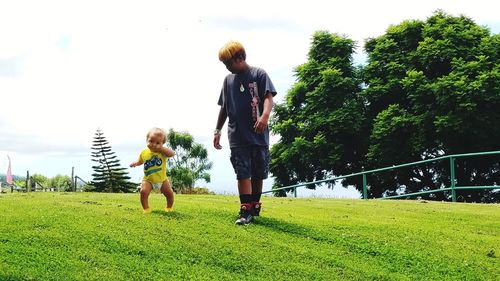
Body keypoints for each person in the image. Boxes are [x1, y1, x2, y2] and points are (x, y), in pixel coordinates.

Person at [213, 41, 277, 225]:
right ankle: (245, 209)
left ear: (240, 58)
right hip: (237, 135)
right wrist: (217, 130)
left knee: (258, 172)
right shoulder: (228, 80)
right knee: (243, 173)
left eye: (229, 63)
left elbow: (268, 97)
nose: (227, 68)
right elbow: (224, 108)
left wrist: (264, 117)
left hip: (258, 134)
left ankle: (255, 205)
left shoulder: (259, 74)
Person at [130, 127, 175, 214]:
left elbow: (172, 154)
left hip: (162, 180)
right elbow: (140, 161)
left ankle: (169, 207)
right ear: (147, 140)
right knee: (143, 192)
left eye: (158, 143)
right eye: (151, 141)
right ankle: (146, 209)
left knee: (169, 193)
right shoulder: (144, 152)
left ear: (163, 143)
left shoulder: (163, 153)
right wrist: (135, 163)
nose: (154, 144)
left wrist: (161, 149)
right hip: (148, 180)